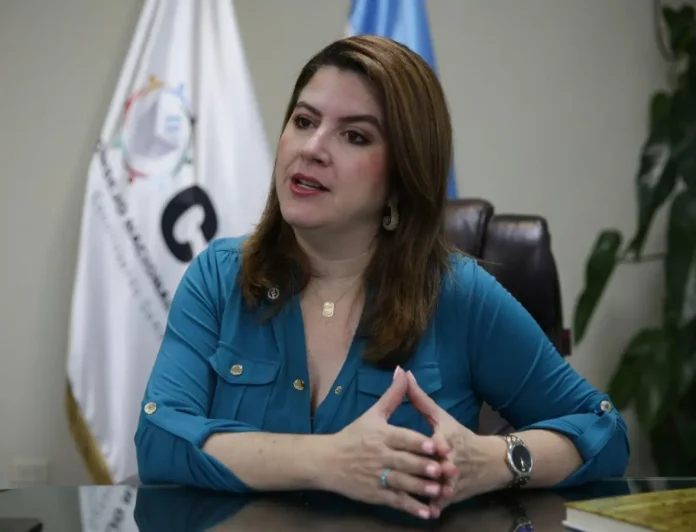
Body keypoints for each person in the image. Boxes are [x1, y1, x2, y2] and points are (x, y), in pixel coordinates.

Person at [134, 35, 630, 520]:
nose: (312, 148)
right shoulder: (219, 278)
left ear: (402, 176)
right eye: (304, 121)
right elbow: (159, 438)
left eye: (355, 136)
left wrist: (494, 460)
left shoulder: (456, 293)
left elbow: (603, 431)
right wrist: (329, 462)